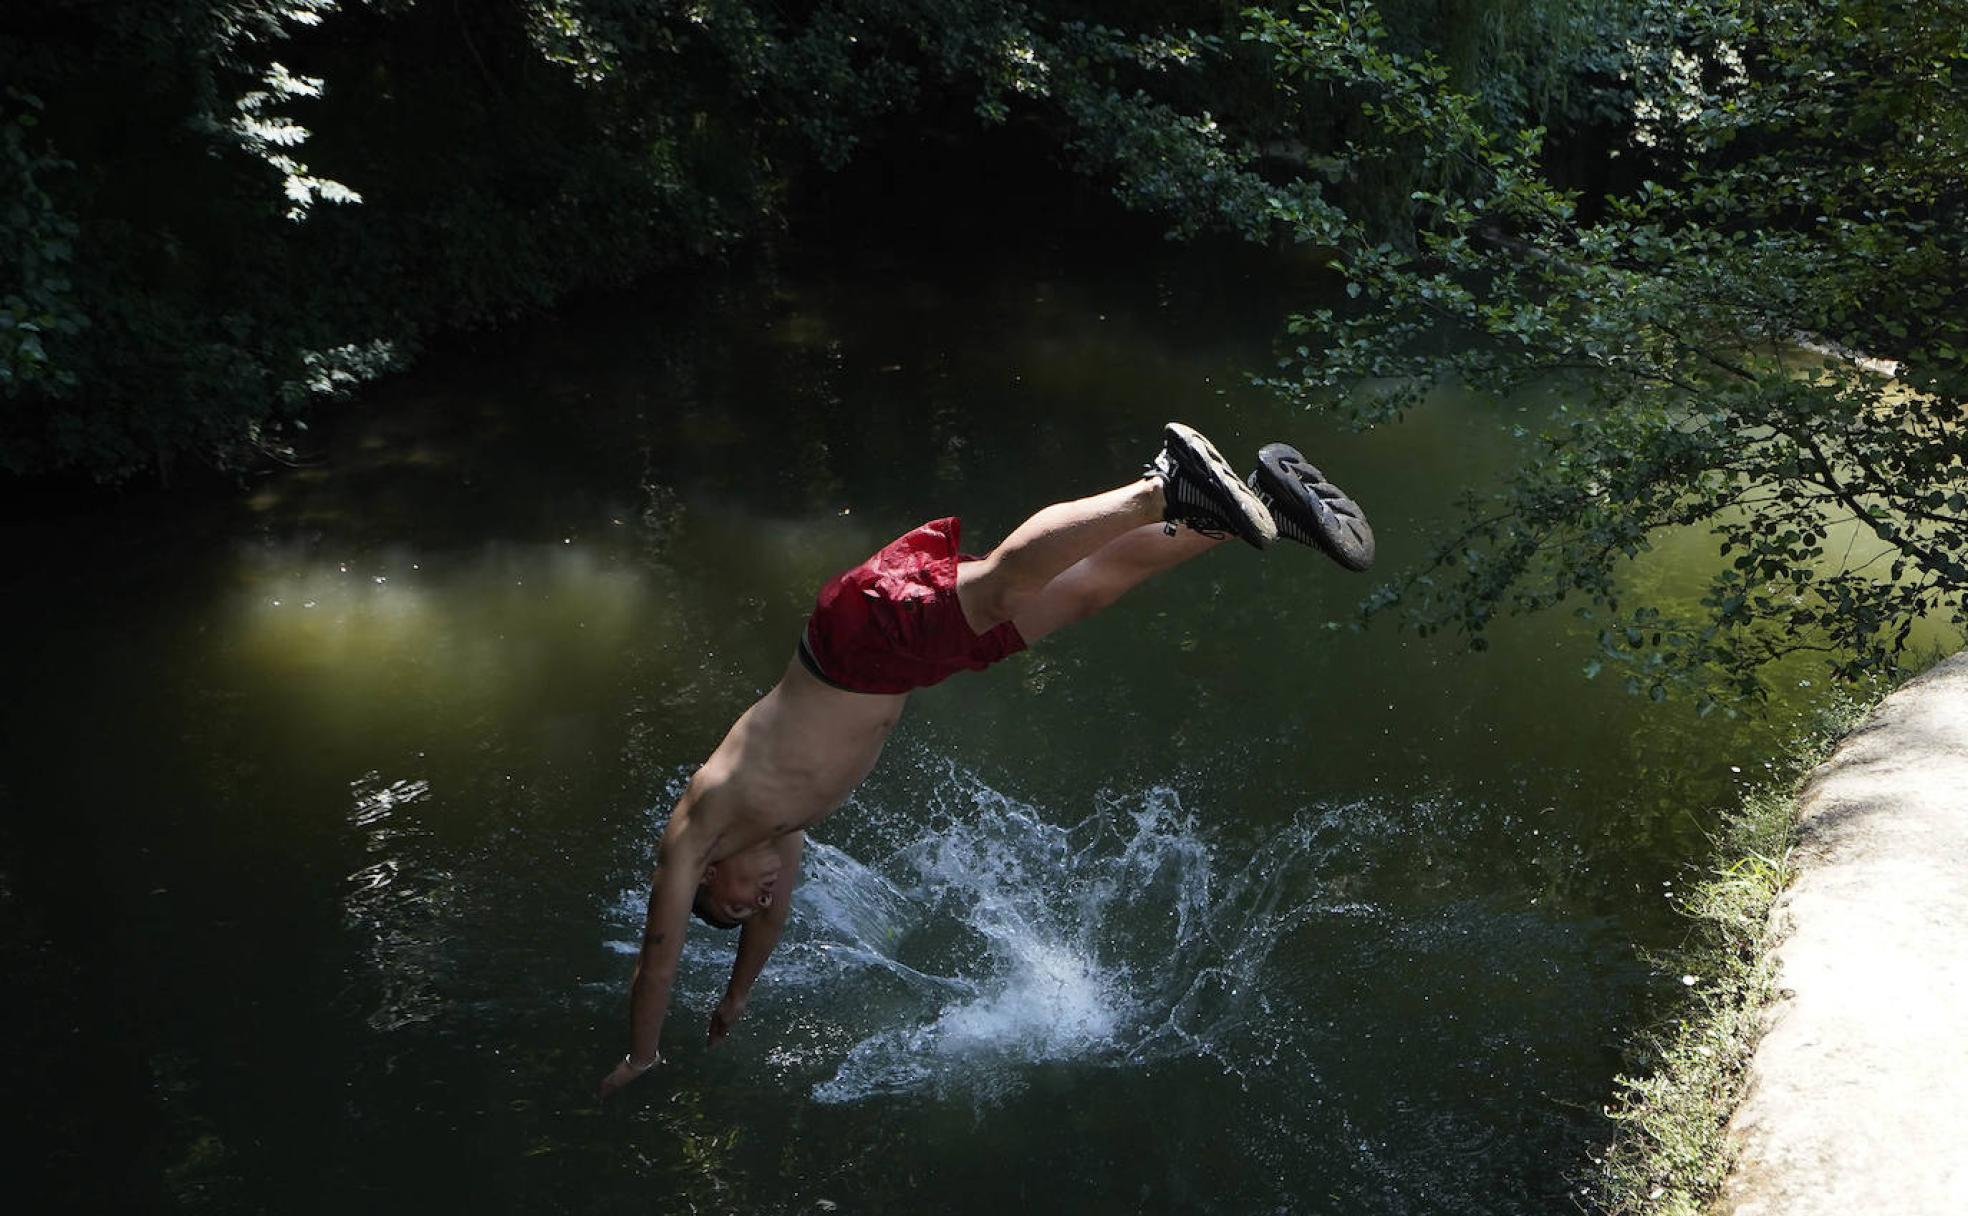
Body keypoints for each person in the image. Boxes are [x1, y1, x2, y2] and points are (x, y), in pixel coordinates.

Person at [597, 423, 1373, 1099]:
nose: (755, 902)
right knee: (1085, 593)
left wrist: (642, 1055)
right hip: (898, 666)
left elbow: (656, 963)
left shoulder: (700, 828)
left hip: (857, 646)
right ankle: (1257, 510)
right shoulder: (783, 832)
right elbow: (771, 925)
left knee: (1002, 586)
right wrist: (737, 998)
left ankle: (1164, 486)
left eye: (730, 904)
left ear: (706, 877)